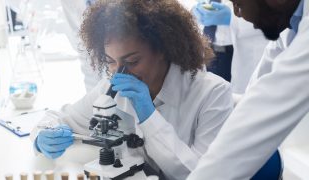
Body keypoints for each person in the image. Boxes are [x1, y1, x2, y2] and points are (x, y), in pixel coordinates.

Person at [30, 0, 234, 180]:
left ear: (163, 49)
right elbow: (56, 119)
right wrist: (42, 138)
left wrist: (150, 117)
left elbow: (200, 174)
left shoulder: (213, 94)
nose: (121, 73)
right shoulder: (112, 87)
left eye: (132, 61)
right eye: (110, 61)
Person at [187, 0, 309, 179]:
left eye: (239, 4)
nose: (237, 14)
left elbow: (258, 114)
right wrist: (215, 98)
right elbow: (255, 96)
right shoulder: (291, 26)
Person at [193, 0, 269, 94]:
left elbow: (271, 12)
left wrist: (232, 18)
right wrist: (199, 8)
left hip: (240, 51)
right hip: (209, 49)